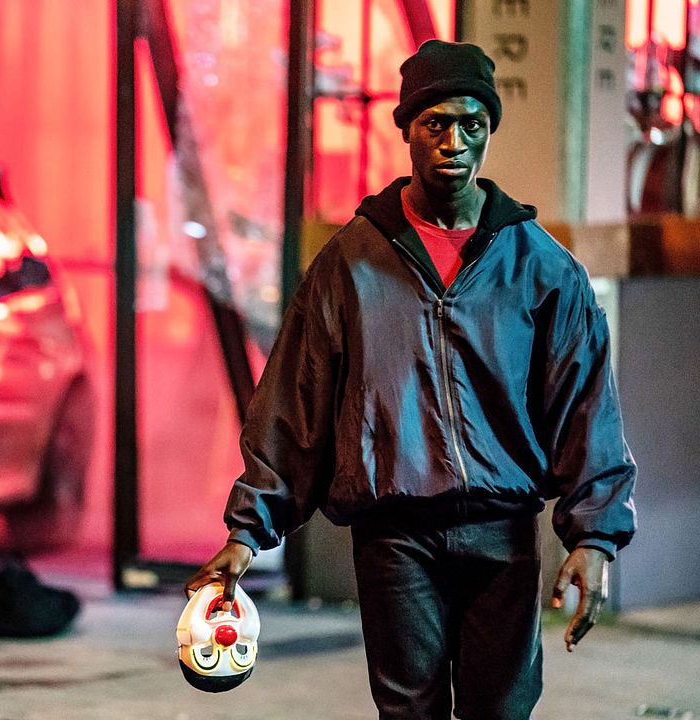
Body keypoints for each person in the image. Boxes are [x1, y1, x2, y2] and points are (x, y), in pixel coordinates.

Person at [185, 39, 637, 720]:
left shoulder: (542, 270)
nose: (454, 142)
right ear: (406, 130)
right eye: (435, 124)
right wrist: (248, 533)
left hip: (502, 531)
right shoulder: (350, 264)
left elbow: (586, 408)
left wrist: (594, 538)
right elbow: (294, 406)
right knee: (408, 713)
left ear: (488, 131)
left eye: (471, 124)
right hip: (394, 538)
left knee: (502, 710)